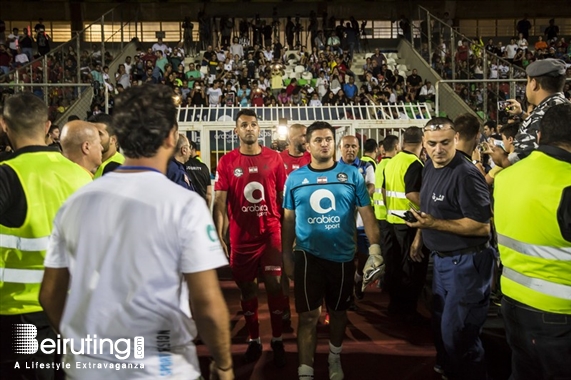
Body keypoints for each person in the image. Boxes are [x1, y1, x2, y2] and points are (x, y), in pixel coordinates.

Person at [39, 84, 233, 380]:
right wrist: (223, 363)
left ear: (120, 138)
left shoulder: (75, 204)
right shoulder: (184, 206)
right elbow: (206, 303)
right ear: (171, 137)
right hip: (160, 368)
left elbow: (50, 294)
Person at [0, 93, 92, 379]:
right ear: (47, 125)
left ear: (5, 125)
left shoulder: (7, 175)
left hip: (21, 313)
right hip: (75, 312)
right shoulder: (81, 176)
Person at [282, 121, 381, 380]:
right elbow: (289, 220)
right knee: (307, 317)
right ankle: (306, 371)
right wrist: (285, 255)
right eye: (318, 140)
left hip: (343, 257)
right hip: (307, 256)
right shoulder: (295, 178)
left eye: (328, 139)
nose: (324, 143)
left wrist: (376, 250)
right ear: (308, 144)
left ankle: (334, 358)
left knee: (338, 314)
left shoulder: (352, 175)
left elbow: (367, 214)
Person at [407, 118, 494, 380]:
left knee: (458, 335)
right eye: (432, 144)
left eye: (445, 142)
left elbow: (482, 228)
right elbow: (430, 209)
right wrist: (420, 236)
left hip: (466, 264)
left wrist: (434, 224)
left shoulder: (466, 174)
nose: (438, 149)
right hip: (442, 261)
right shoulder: (430, 168)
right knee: (442, 329)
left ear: (456, 139)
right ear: (424, 143)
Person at [494, 103, 571, 380]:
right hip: (559, 314)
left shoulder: (507, 177)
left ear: (538, 136)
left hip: (514, 303)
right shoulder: (566, 183)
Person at [213, 109, 288, 367]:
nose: (249, 129)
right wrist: (219, 235)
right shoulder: (226, 162)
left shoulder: (274, 158)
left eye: (253, 124)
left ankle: (277, 338)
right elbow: (220, 202)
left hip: (270, 234)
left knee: (275, 286)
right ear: (236, 131)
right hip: (241, 238)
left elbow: (281, 197)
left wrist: (286, 231)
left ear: (259, 129)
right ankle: (255, 339)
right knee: (247, 289)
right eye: (244, 125)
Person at [379, 127, 428, 321]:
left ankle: (395, 306)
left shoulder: (392, 162)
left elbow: (383, 191)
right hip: (408, 223)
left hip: (391, 221)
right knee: (412, 268)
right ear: (422, 141)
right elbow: (412, 194)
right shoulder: (414, 163)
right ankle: (408, 311)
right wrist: (432, 207)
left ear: (403, 141)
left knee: (395, 266)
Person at [499, 59, 569, 167]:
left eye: (527, 82)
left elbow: (518, 159)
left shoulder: (543, 114)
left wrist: (501, 159)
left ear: (533, 84)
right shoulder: (565, 107)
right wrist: (522, 113)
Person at [279, 123, 311, 322]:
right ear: (291, 138)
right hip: (285, 221)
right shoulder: (278, 159)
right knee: (284, 265)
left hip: (309, 222)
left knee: (308, 266)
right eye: (302, 136)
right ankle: (283, 308)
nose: (306, 140)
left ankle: (307, 306)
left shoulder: (312, 157)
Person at [338, 135, 375, 304]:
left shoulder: (366, 166)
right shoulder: (333, 168)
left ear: (358, 148)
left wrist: (353, 198)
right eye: (347, 146)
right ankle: (347, 293)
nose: (350, 149)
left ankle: (359, 277)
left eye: (353, 146)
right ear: (340, 148)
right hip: (341, 224)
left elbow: (371, 186)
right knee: (345, 259)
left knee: (364, 256)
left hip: (361, 222)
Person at [371, 135, 400, 290]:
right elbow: (383, 189)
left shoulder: (380, 164)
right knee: (389, 251)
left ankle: (385, 278)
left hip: (379, 213)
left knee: (385, 249)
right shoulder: (391, 165)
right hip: (387, 215)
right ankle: (386, 280)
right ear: (396, 147)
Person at [88, 113, 125, 178]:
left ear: (113, 139)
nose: (92, 137)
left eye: (99, 134)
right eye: (90, 133)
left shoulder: (117, 169)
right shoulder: (94, 164)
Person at [184, 140, 213, 207]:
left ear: (192, 149)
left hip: (186, 206)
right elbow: (209, 194)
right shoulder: (204, 167)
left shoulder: (182, 166)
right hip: (201, 206)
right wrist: (207, 210)